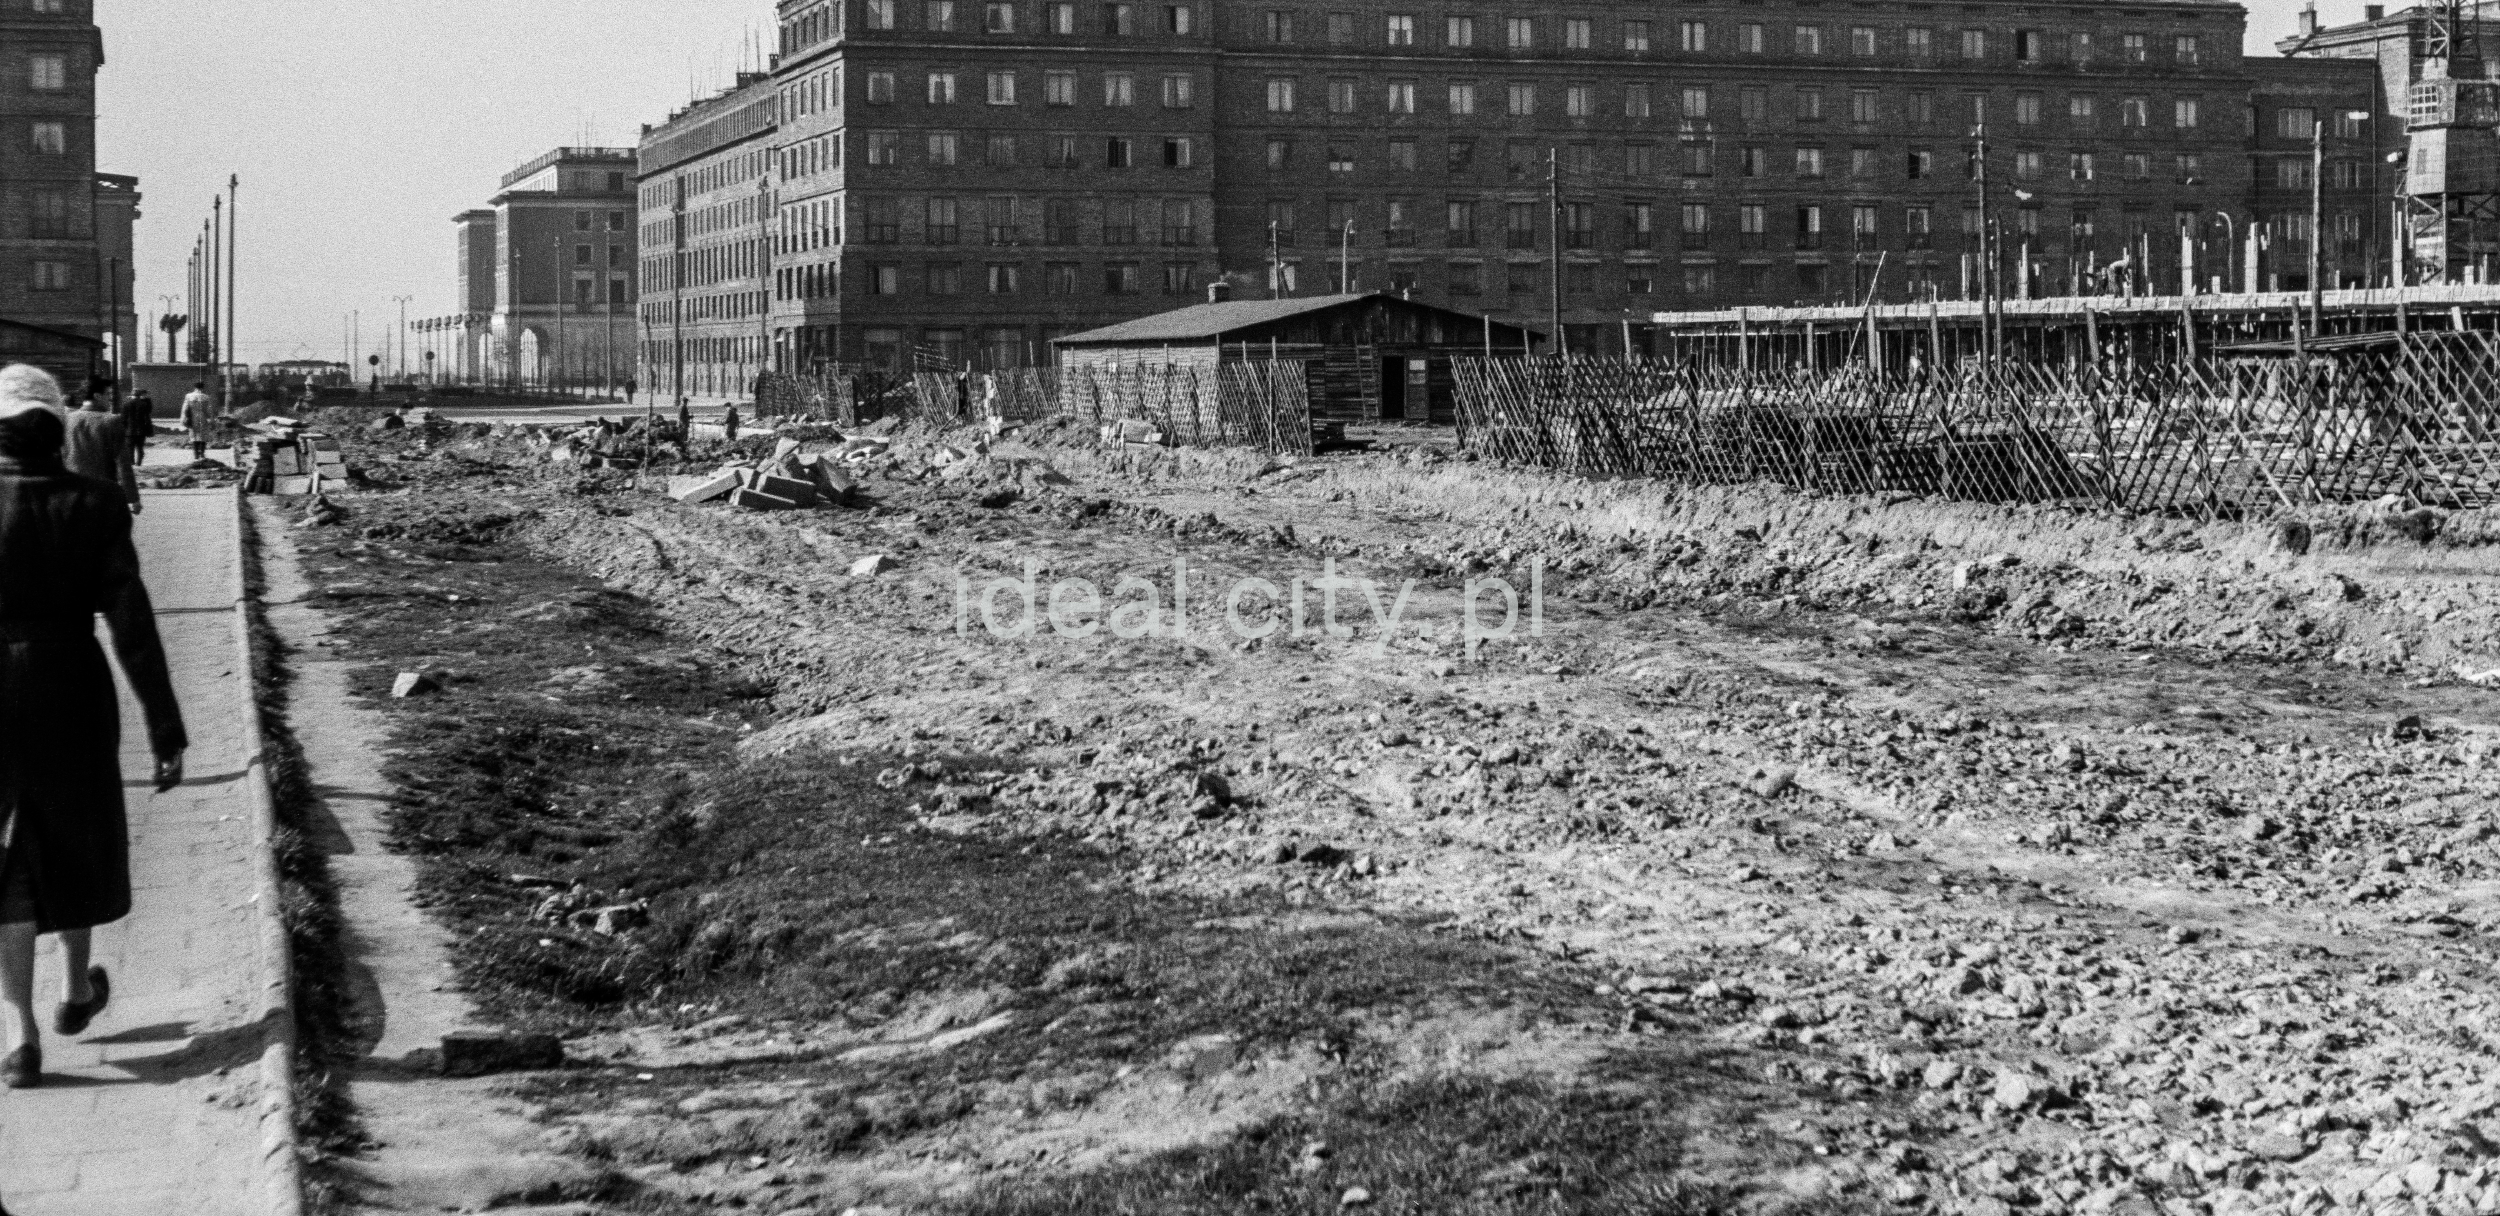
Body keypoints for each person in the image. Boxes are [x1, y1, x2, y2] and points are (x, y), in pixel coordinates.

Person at [0, 363, 186, 1090]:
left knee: (8, 861)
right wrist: (165, 727)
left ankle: (20, 1039)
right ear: (56, 427)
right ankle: (76, 988)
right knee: (74, 831)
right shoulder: (97, 504)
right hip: (70, 681)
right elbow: (132, 626)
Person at [62, 395, 139, 515]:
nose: (110, 399)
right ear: (98, 396)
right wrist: (132, 497)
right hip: (102, 494)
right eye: (107, 394)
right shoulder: (111, 421)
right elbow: (123, 464)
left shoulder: (65, 420)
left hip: (70, 493)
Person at [178, 381, 215, 462]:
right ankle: (202, 453)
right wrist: (212, 420)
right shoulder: (206, 397)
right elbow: (209, 410)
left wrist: (183, 419)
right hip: (202, 418)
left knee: (193, 436)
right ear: (203, 388)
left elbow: (184, 409)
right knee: (203, 436)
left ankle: (195, 455)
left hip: (192, 418)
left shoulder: (188, 396)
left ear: (195, 387)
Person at [120, 389, 155, 469]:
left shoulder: (126, 404)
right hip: (141, 430)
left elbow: (123, 419)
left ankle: (131, 463)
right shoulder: (144, 404)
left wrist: (123, 429)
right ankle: (139, 463)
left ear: (131, 396)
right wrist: (149, 429)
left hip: (129, 431)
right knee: (140, 447)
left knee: (130, 448)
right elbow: (147, 418)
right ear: (139, 396)